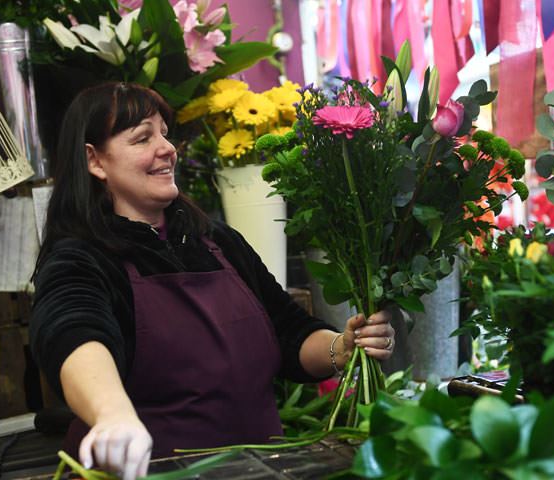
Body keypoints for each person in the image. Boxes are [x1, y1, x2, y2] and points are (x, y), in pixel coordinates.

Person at [29, 82, 396, 480]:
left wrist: (342, 347)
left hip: (261, 469)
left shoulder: (217, 240)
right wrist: (112, 415)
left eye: (164, 134)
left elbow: (290, 333)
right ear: (95, 161)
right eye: (142, 138)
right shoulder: (81, 256)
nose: (167, 149)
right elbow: (73, 333)